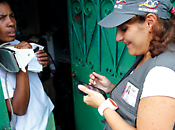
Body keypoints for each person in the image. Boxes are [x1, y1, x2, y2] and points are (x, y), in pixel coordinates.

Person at [78, 0, 175, 129]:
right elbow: (142, 101)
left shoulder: (162, 73)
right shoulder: (149, 53)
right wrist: (111, 88)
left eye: (124, 29)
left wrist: (103, 106)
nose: (118, 37)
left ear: (150, 22)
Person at [0, 0, 55, 130]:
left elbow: (34, 78)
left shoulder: (16, 43)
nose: (11, 23)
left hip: (46, 115)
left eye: (12, 16)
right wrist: (22, 62)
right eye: (1, 18)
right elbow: (19, 109)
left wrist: (40, 62)